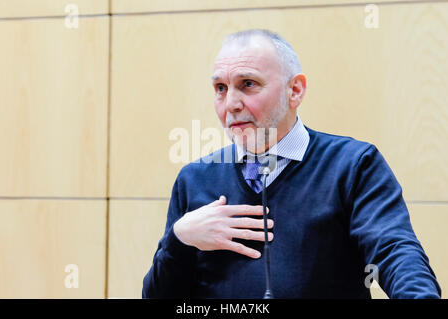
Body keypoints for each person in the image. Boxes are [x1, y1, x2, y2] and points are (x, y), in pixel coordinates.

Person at [142, 29, 441, 298]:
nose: (230, 103)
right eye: (220, 88)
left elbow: (394, 251)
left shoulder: (353, 165)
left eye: (248, 84)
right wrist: (179, 240)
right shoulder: (195, 179)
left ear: (295, 90)